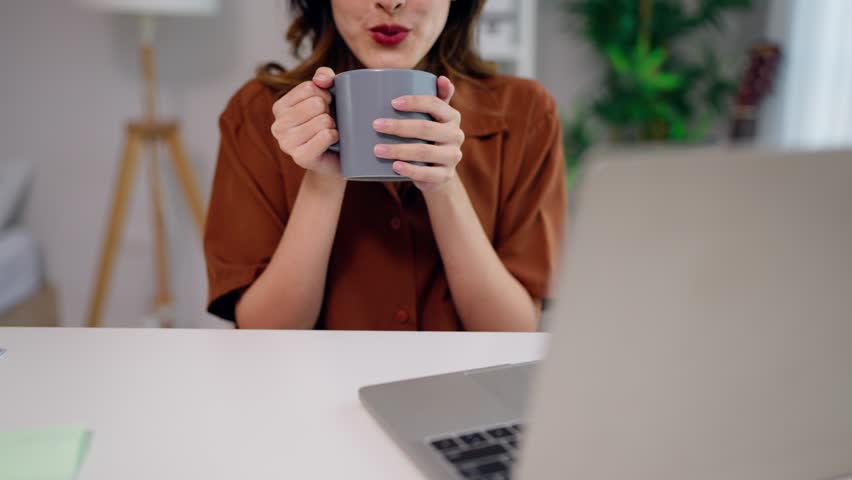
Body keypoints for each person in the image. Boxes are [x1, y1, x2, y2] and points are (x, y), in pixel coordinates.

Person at [204, 0, 567, 331]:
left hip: (463, 398)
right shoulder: (256, 115)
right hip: (310, 395)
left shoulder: (526, 113)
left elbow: (512, 332)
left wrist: (442, 186)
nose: (390, 2)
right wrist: (324, 175)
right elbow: (264, 333)